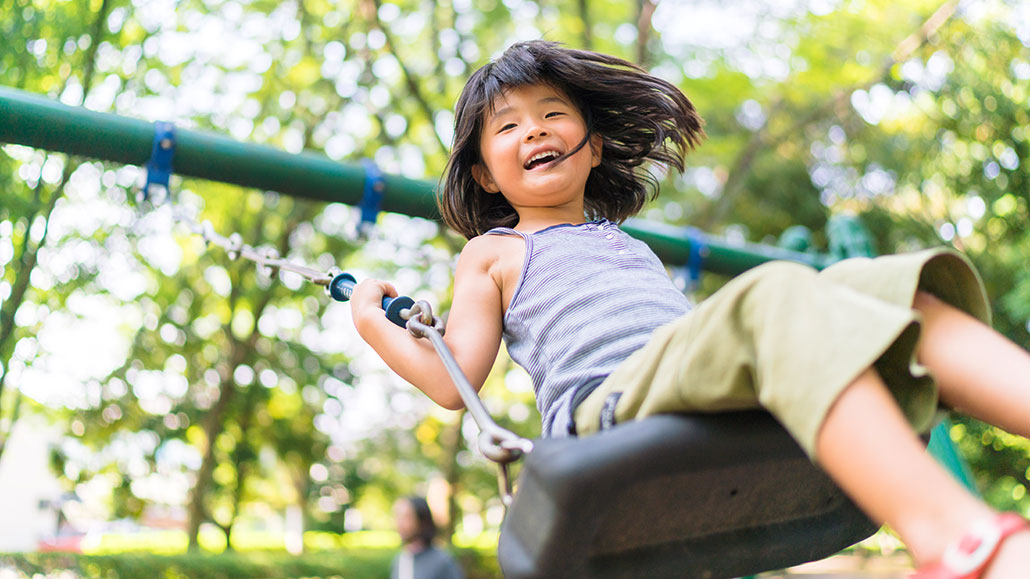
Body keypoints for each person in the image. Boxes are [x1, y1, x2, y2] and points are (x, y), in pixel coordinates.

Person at [350, 40, 1030, 577]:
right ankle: (959, 539)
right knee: (775, 292)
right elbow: (452, 380)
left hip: (687, 387)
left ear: (593, 145)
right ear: (484, 174)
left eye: (553, 113)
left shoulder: (624, 242)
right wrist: (370, 322)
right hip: (605, 411)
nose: (535, 130)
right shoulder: (494, 251)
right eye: (509, 126)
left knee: (883, 287)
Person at [391, 496, 463, 579]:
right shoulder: (400, 560)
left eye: (406, 517)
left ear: (422, 521)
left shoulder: (441, 562)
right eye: (397, 516)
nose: (399, 523)